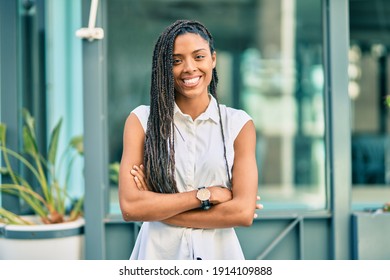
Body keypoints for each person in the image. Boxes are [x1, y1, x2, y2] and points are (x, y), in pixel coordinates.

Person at [118, 19, 261, 260]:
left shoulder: (238, 125)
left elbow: (242, 213)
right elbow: (131, 207)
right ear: (164, 66)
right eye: (176, 60)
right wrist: (208, 195)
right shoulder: (141, 121)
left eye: (198, 57)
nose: (189, 68)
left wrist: (158, 208)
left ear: (213, 60)